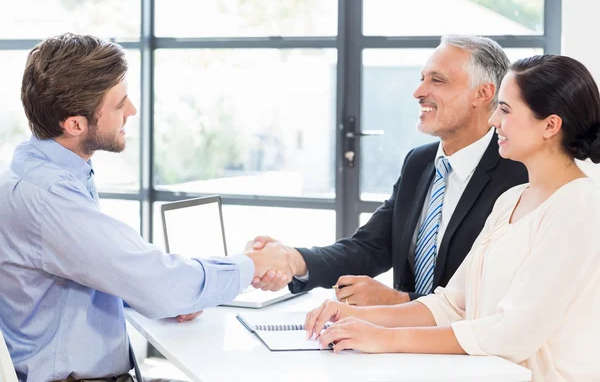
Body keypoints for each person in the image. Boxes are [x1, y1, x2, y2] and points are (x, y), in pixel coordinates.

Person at [0, 33, 294, 382]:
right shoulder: (49, 198)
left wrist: (163, 295)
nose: (132, 110)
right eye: (119, 104)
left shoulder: (42, 168)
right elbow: (160, 282)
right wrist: (254, 264)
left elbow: (118, 277)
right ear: (75, 124)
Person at [305, 54, 600, 381]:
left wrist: (385, 337)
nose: (493, 122)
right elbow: (452, 305)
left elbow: (513, 332)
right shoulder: (511, 200)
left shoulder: (580, 205)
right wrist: (359, 317)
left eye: (505, 110)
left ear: (550, 125)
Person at [250, 35, 528, 305]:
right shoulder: (419, 163)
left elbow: (501, 297)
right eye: (422, 78)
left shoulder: (520, 175)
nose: (418, 92)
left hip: (467, 347)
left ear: (483, 93)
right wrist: (293, 260)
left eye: (437, 80)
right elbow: (370, 247)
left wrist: (398, 301)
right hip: (399, 342)